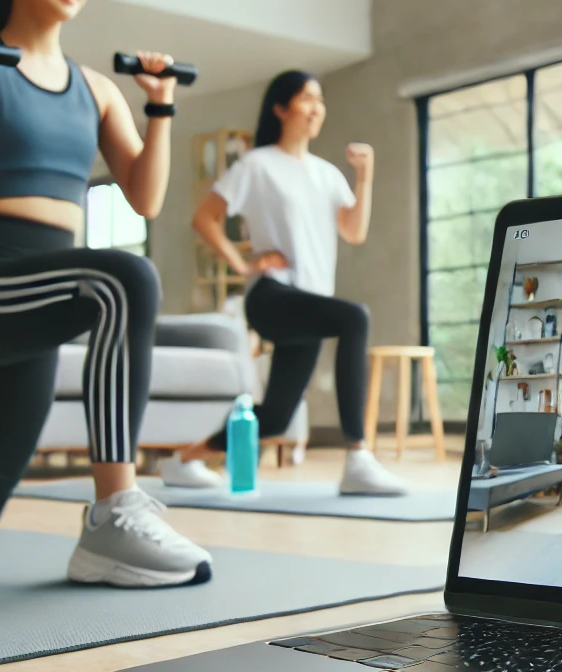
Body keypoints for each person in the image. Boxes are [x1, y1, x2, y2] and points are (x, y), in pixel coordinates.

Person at [0, 0, 211, 587]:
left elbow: (144, 196)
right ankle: (114, 514)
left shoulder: (98, 89)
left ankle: (110, 518)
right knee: (127, 279)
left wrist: (161, 104)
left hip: (42, 294)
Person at [159, 70, 407, 495]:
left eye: (321, 100)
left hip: (307, 301)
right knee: (354, 319)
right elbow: (204, 218)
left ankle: (182, 462)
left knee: (274, 417)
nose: (316, 108)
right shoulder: (257, 164)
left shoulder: (326, 173)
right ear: (280, 107)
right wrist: (241, 262)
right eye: (307, 98)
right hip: (272, 295)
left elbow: (354, 231)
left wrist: (364, 179)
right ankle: (358, 457)